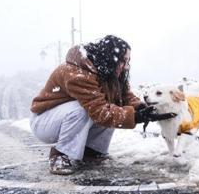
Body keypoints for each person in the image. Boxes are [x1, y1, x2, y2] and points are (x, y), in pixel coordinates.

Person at [30, 35, 176, 175]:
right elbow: (99, 111)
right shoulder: (77, 72)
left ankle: (92, 152)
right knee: (84, 109)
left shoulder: (109, 73)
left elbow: (124, 96)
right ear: (110, 57)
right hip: (45, 122)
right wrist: (136, 117)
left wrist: (140, 107)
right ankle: (60, 154)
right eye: (122, 61)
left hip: (64, 119)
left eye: (128, 61)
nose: (125, 66)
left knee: (112, 106)